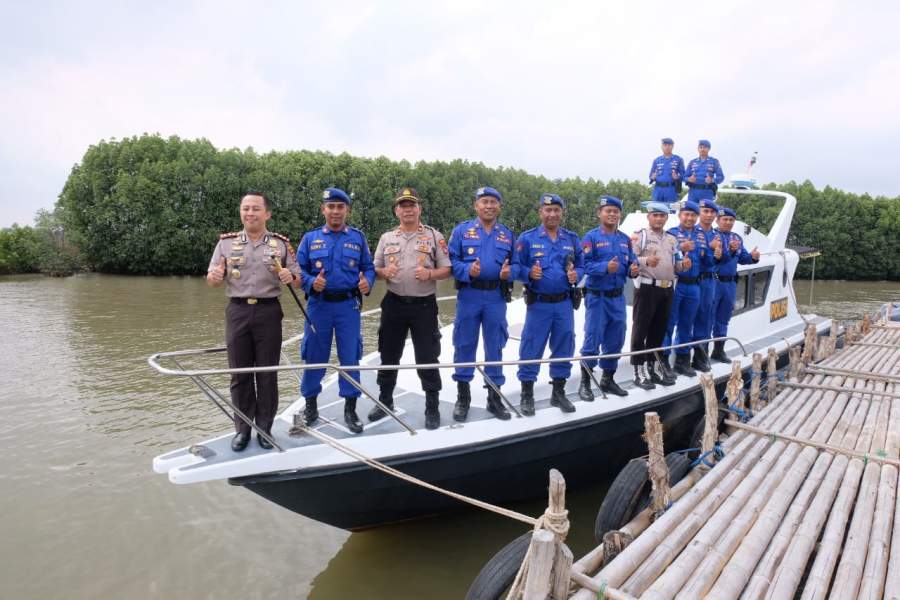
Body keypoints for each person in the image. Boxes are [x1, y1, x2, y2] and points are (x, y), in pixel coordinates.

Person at [206, 191, 301, 452]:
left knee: (267, 375)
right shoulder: (226, 243)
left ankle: (264, 429)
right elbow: (212, 278)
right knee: (239, 374)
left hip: (268, 311)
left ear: (267, 213)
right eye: (245, 208)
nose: (250, 213)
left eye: (256, 208)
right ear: (241, 212)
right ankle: (243, 429)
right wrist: (215, 277)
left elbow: (298, 279)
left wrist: (289, 277)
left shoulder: (281, 244)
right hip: (237, 311)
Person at [369, 187, 452, 430]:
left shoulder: (434, 236)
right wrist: (384, 272)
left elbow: (447, 269)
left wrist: (430, 274)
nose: (407, 210)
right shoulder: (387, 238)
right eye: (403, 206)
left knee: (427, 356)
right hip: (393, 304)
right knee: (388, 354)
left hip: (424, 306)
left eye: (411, 205)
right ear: (396, 211)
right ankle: (385, 400)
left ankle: (432, 406)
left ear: (419, 209)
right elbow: (374, 269)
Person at [295, 187, 376, 434]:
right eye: (331, 206)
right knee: (314, 356)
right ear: (323, 209)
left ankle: (350, 409)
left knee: (350, 357)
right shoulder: (310, 238)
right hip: (318, 305)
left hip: (348, 306)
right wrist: (311, 282)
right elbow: (298, 271)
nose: (336, 211)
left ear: (347, 210)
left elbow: (369, 267)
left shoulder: (358, 238)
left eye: (340, 207)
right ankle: (310, 406)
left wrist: (367, 282)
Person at [448, 186, 515, 422]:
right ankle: (463, 397)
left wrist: (509, 272)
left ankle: (494, 398)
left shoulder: (507, 235)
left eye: (493, 202)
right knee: (464, 344)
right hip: (469, 295)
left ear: (499, 207)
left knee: (495, 346)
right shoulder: (461, 231)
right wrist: (468, 269)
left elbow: (516, 264)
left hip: (496, 296)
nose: (489, 206)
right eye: (484, 202)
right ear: (476, 206)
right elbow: (450, 261)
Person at [513, 193, 583, 415]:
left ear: (562, 213)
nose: (552, 214)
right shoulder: (527, 239)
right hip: (539, 304)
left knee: (564, 346)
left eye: (556, 210)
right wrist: (528, 273)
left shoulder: (571, 239)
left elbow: (582, 265)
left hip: (564, 303)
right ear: (540, 212)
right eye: (548, 210)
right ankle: (527, 394)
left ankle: (558, 393)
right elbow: (515, 267)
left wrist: (577, 275)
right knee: (531, 346)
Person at [579, 195, 639, 399]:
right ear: (600, 213)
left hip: (618, 298)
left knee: (616, 338)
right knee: (592, 338)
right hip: (598, 298)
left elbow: (631, 264)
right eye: (608, 211)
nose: (612, 214)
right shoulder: (591, 238)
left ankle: (608, 379)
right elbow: (584, 266)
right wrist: (605, 267)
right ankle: (586, 382)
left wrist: (633, 270)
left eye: (616, 211)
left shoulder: (625, 240)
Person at [629, 201, 686, 389]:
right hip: (647, 288)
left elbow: (677, 264)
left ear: (667, 218)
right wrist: (646, 260)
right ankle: (638, 371)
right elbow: (629, 258)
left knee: (658, 331)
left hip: (667, 289)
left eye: (662, 216)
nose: (659, 219)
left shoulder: (671, 239)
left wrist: (684, 265)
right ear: (649, 217)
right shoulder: (641, 236)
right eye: (655, 215)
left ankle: (652, 368)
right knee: (640, 331)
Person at [662, 200, 709, 377]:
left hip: (694, 285)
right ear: (680, 215)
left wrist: (715, 253)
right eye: (686, 214)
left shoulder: (701, 235)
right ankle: (664, 361)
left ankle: (682, 361)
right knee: (669, 322)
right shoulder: (671, 234)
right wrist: (681, 247)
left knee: (687, 324)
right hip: (677, 284)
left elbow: (708, 261)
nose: (689, 218)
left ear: (697, 217)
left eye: (693, 215)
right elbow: (663, 255)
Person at [710, 206, 760, 362]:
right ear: (717, 220)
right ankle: (701, 353)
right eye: (724, 219)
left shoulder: (737, 238)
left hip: (730, 283)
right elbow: (716, 259)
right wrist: (729, 251)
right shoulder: (712, 237)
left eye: (731, 220)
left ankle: (718, 351)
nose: (728, 222)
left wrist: (753, 257)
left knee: (723, 318)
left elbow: (743, 258)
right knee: (707, 318)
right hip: (714, 282)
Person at [691, 198, 724, 372]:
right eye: (705, 211)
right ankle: (681, 358)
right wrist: (710, 248)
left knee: (705, 319)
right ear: (699, 213)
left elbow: (723, 257)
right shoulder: (693, 232)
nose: (709, 215)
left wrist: (722, 253)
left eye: (712, 212)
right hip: (694, 280)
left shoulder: (717, 235)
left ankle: (700, 357)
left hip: (710, 281)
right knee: (688, 319)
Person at [649, 138, 684, 204]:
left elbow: (683, 175)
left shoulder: (678, 159)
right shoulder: (656, 160)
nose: (667, 147)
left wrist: (677, 177)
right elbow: (650, 176)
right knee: (656, 209)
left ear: (672, 146)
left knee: (671, 209)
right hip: (658, 190)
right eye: (665, 145)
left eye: (669, 145)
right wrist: (652, 177)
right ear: (661, 146)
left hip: (671, 190)